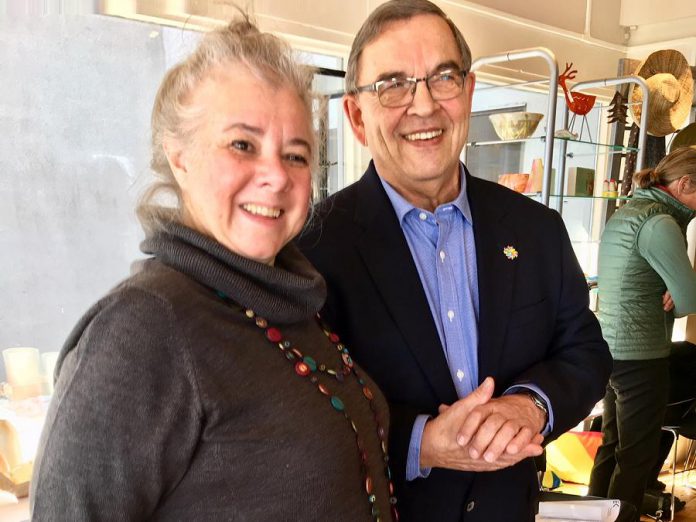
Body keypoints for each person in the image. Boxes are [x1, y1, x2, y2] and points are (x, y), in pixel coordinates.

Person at [30, 16, 397, 521]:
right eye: (242, 145)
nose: (275, 176)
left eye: (295, 155)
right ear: (179, 156)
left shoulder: (286, 298)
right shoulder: (142, 328)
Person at [296, 1, 612, 520]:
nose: (422, 106)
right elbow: (303, 413)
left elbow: (585, 350)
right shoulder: (311, 250)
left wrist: (531, 404)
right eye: (392, 85)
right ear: (356, 115)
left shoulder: (537, 229)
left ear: (466, 92)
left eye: (442, 77)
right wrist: (421, 442)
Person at [588, 146, 696, 518]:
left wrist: (672, 284)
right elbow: (688, 299)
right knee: (637, 456)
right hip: (642, 355)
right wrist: (677, 286)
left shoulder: (630, 211)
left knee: (612, 445)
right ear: (684, 184)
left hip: (609, 350)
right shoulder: (661, 222)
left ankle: (588, 514)